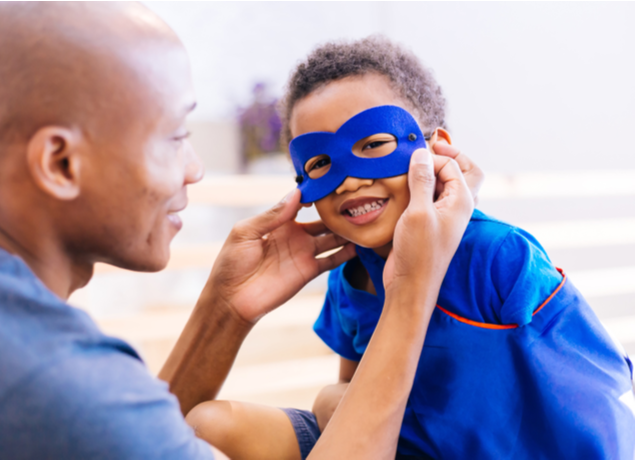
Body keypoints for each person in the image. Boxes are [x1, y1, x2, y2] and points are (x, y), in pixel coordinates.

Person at [0, 4, 479, 459]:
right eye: (176, 136)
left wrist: (224, 311)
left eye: (374, 144)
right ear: (60, 164)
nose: (195, 169)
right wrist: (413, 287)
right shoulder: (57, 385)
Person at [188, 37, 635, 459]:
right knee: (209, 422)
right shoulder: (349, 280)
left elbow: (597, 389)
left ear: (436, 149)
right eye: (321, 163)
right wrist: (329, 401)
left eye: (375, 144)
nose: (348, 180)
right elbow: (352, 398)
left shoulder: (498, 256)